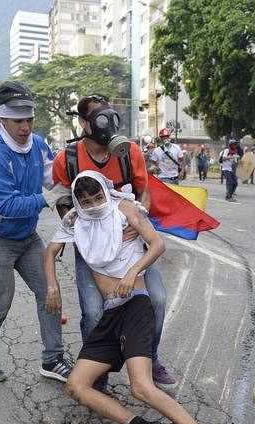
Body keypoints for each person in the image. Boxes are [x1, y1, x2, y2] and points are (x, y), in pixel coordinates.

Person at [43, 171, 236, 424]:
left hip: (134, 305)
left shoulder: (124, 209)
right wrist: (52, 286)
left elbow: (157, 244)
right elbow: (50, 251)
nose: (93, 206)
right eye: (86, 200)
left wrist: (134, 271)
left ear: (106, 192)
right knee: (76, 386)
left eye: (97, 198)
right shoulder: (77, 221)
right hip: (110, 314)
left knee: (141, 387)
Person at [52, 94, 176, 387]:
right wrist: (87, 229)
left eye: (109, 114)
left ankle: (151, 356)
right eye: (98, 116)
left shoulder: (129, 152)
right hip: (92, 251)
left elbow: (144, 190)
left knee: (156, 299)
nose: (105, 121)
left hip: (130, 244)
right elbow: (60, 201)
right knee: (94, 311)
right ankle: (97, 375)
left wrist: (138, 216)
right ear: (83, 122)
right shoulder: (67, 159)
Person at [0, 80, 73, 383]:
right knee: (0, 301)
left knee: (50, 292)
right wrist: (46, 199)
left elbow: (52, 178)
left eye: (29, 119)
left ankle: (52, 359)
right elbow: (8, 206)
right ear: (2, 119)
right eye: (18, 120)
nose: (25, 127)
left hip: (27, 238)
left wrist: (74, 193)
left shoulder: (38, 144)